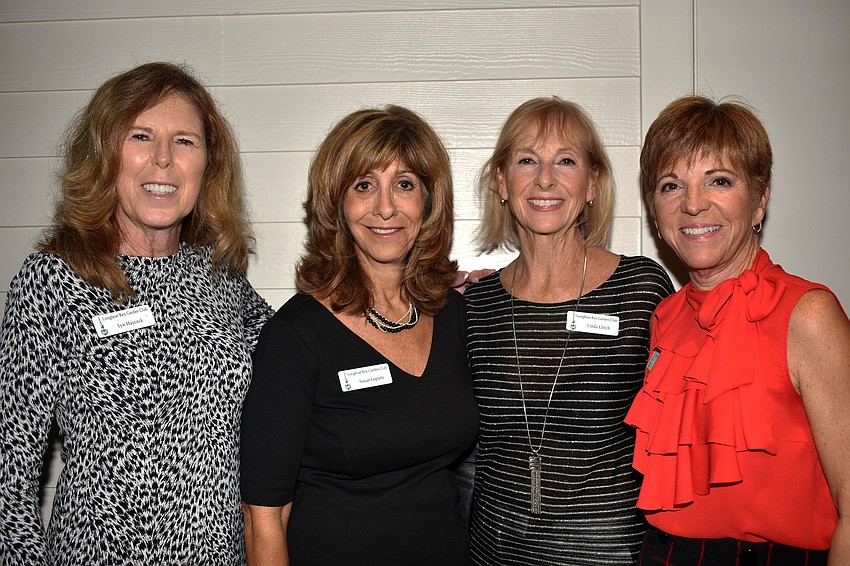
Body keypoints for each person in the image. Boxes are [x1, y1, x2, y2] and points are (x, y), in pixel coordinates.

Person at [0, 62, 274, 565]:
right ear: (106, 155)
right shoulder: (54, 280)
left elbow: (310, 343)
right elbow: (7, 484)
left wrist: (412, 285)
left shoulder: (221, 279)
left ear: (208, 165)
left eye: (185, 141)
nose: (164, 160)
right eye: (141, 136)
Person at [239, 105, 479, 566]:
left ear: (429, 202)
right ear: (336, 203)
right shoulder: (297, 335)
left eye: (404, 185)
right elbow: (263, 515)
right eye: (363, 185)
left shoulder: (455, 319)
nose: (385, 207)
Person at [625, 95, 850, 564]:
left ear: (760, 198)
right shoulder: (665, 317)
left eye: (719, 181)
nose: (692, 204)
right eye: (671, 186)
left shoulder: (807, 314)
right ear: (654, 208)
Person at [463, 96, 674, 565]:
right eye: (526, 161)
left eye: (566, 160)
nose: (544, 178)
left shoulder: (640, 290)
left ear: (592, 182)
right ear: (502, 181)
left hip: (611, 555)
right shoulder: (476, 307)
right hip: (493, 554)